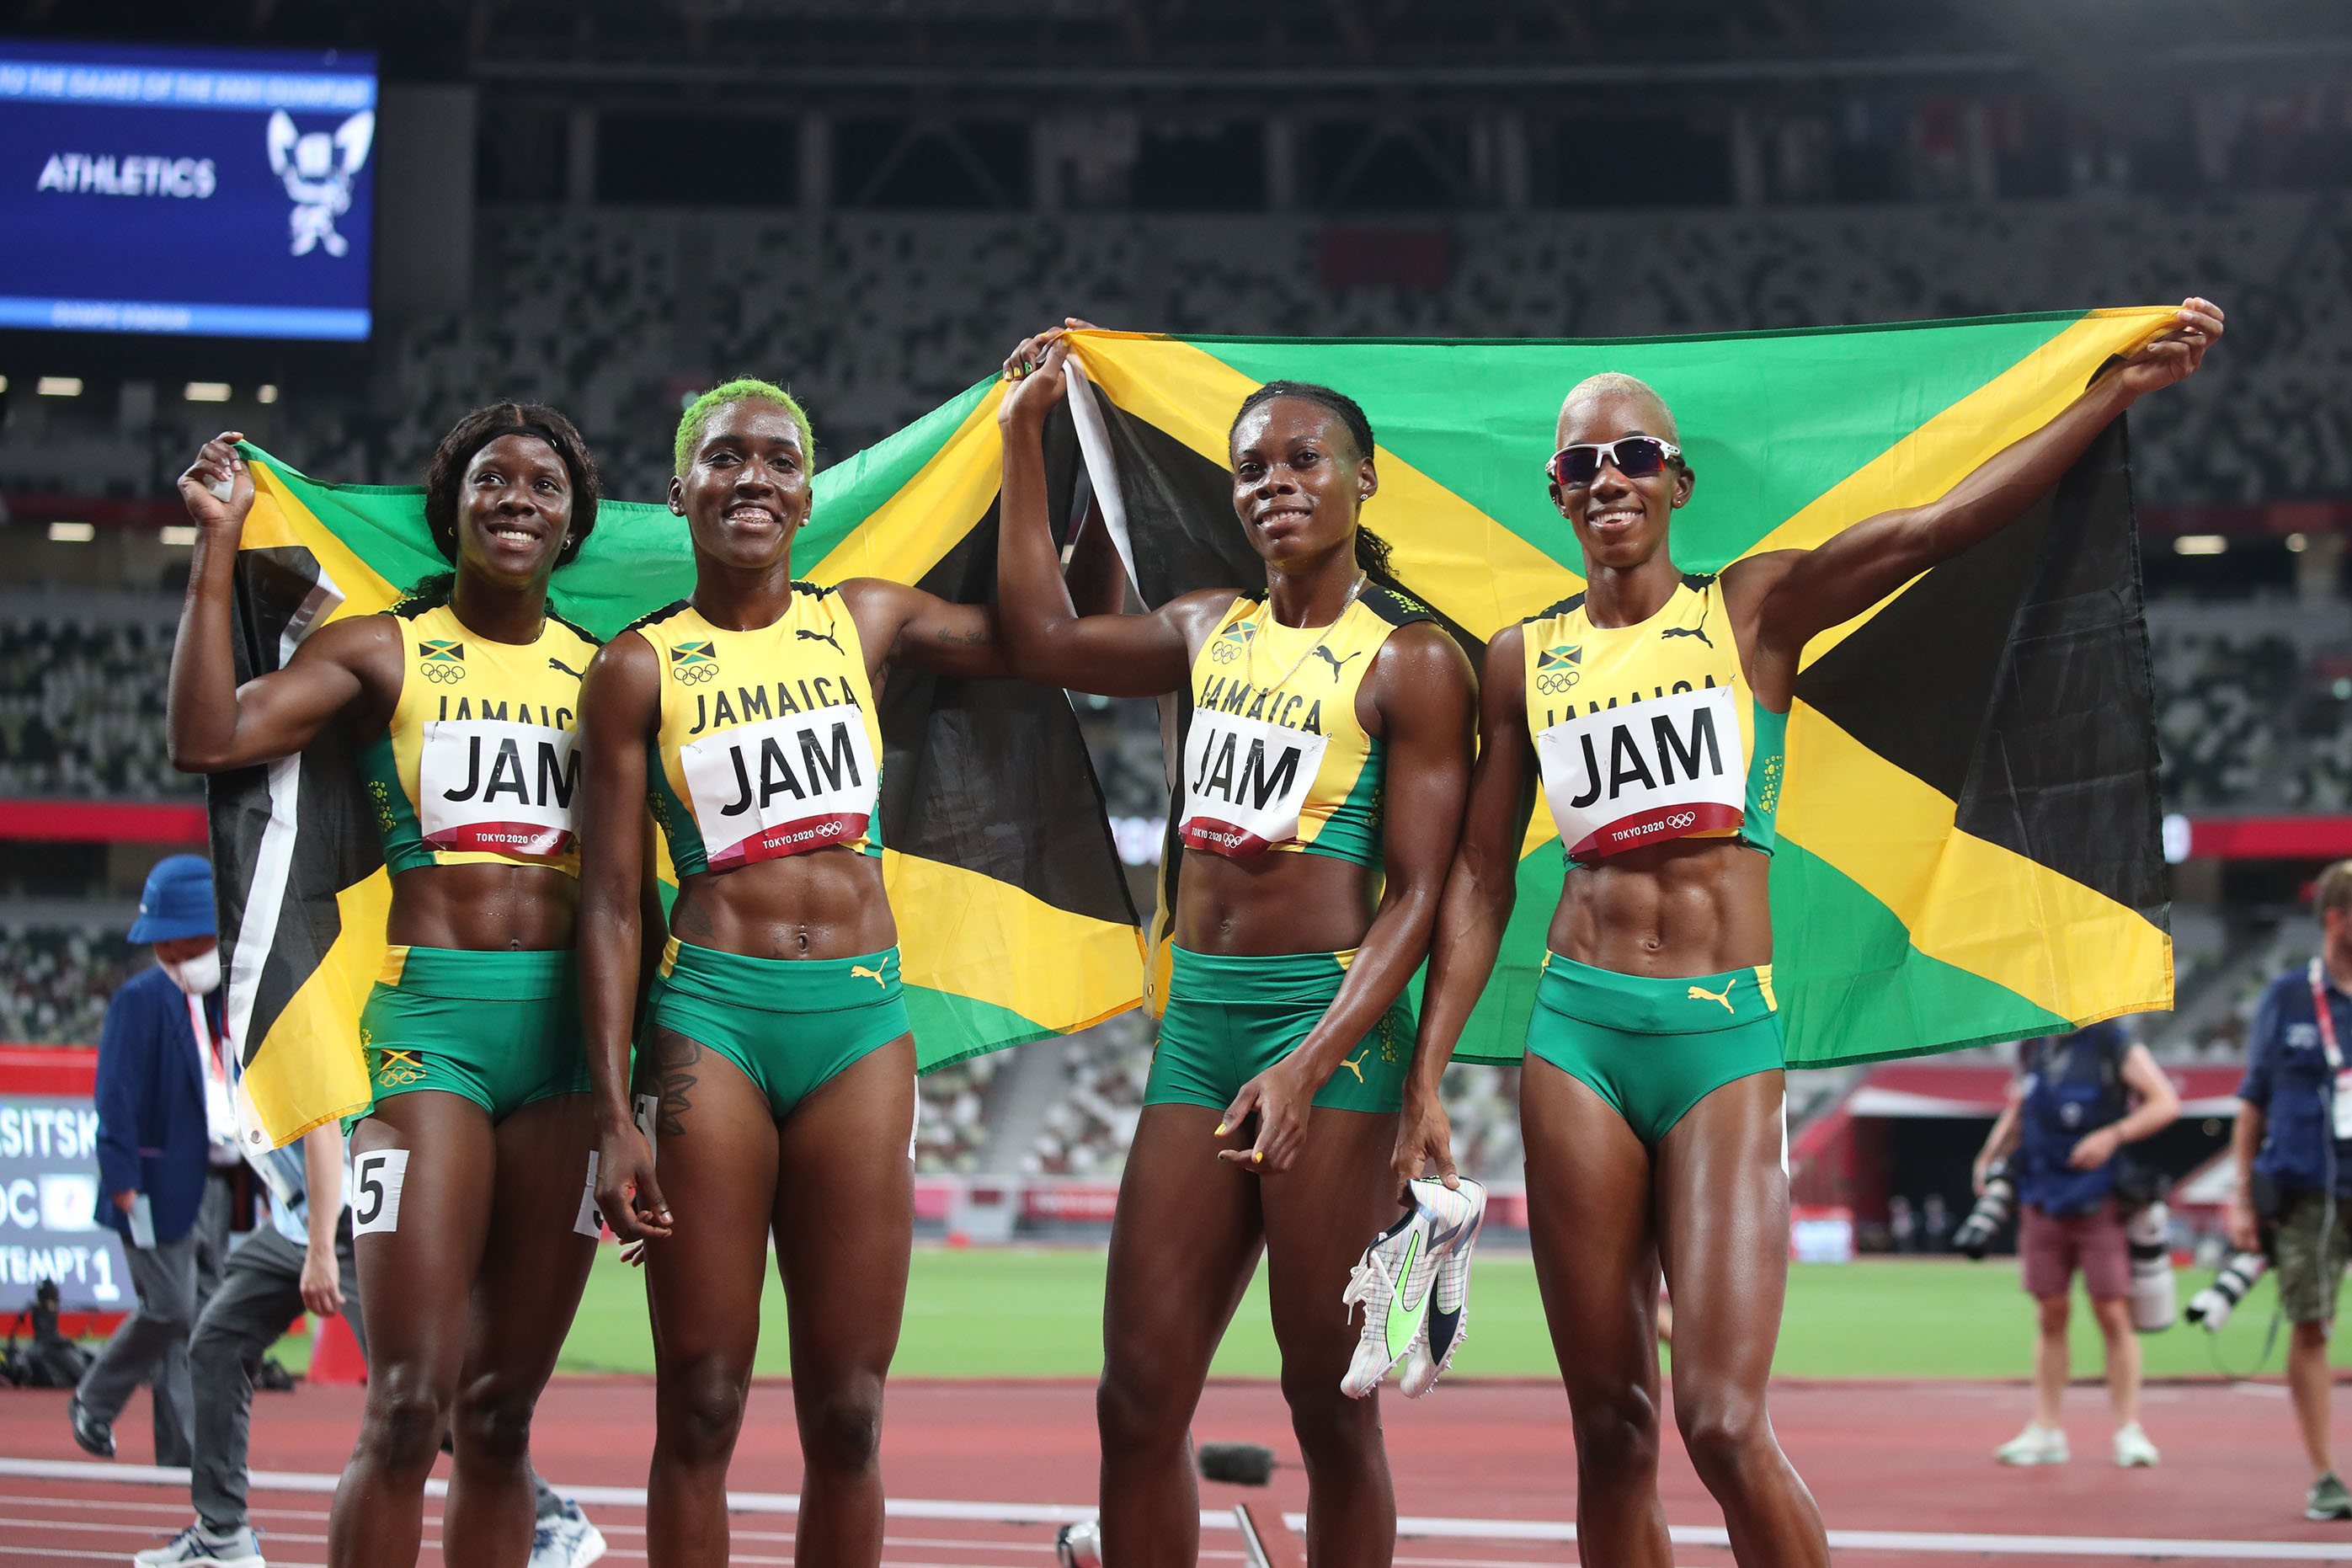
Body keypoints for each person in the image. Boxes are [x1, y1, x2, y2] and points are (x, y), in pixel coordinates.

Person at [1410, 298, 2221, 1565]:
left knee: (1724, 1423)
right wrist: (1424, 1077)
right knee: (1611, 1431)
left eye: (1634, 454)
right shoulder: (1523, 659)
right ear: (1555, 494)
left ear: (1676, 480)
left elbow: (1941, 525)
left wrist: (2107, 394)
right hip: (1575, 1032)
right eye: (1582, 462)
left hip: (1722, 1037)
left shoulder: (1754, 610)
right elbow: (1475, 877)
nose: (1609, 477)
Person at [994, 331, 1476, 1566]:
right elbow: (1043, 637)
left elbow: (1418, 895)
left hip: (1331, 1039)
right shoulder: (1207, 627)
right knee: (1136, 1397)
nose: (1276, 484)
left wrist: (1308, 1066)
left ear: (1364, 479)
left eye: (1305, 460)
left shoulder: (1412, 660)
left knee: (1330, 1403)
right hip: (1200, 1029)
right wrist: (1026, 435)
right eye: (1252, 467)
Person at [578, 378, 1028, 1567]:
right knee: (702, 1400)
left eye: (779, 460)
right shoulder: (635, 668)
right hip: (709, 1023)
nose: (754, 478)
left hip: (858, 1025)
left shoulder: (864, 620)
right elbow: (612, 902)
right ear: (679, 492)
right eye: (725, 457)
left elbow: (1038, 634)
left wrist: (1031, 442)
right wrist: (612, 1113)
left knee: (849, 1411)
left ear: (809, 494)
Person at [169, 408, 608, 1568]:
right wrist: (215, 545)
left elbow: (644, 884)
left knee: (500, 1417)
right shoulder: (380, 649)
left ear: (573, 525)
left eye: (545, 484)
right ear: (448, 507)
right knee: (410, 1400)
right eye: (492, 477)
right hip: (428, 1039)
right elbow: (206, 736)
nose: (517, 497)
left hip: (568, 1061)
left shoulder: (609, 670)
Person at [74, 854, 242, 1466]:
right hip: (152, 1184)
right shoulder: (139, 1000)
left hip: (219, 1180)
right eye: (170, 944)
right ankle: (94, 1399)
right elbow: (114, 1096)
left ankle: (183, 1450)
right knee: (170, 1308)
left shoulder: (228, 1000)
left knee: (201, 1321)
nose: (178, 954)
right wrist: (122, 1178)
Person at [1972, 1022, 2179, 1469]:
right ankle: (2046, 1431)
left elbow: (2165, 1102)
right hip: (2040, 1195)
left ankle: (2129, 1430)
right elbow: (2020, 1108)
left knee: (2113, 1312)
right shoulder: (2034, 1043)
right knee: (2049, 1313)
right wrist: (1989, 1157)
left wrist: (2112, 1135)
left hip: (2097, 1198)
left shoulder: (2111, 1040)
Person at [2227, 859, 2352, 1522]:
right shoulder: (2285, 997)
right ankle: (2324, 1474)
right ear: (2336, 919)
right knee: (2309, 1322)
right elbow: (2251, 1103)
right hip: (2308, 1191)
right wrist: (2241, 1197)